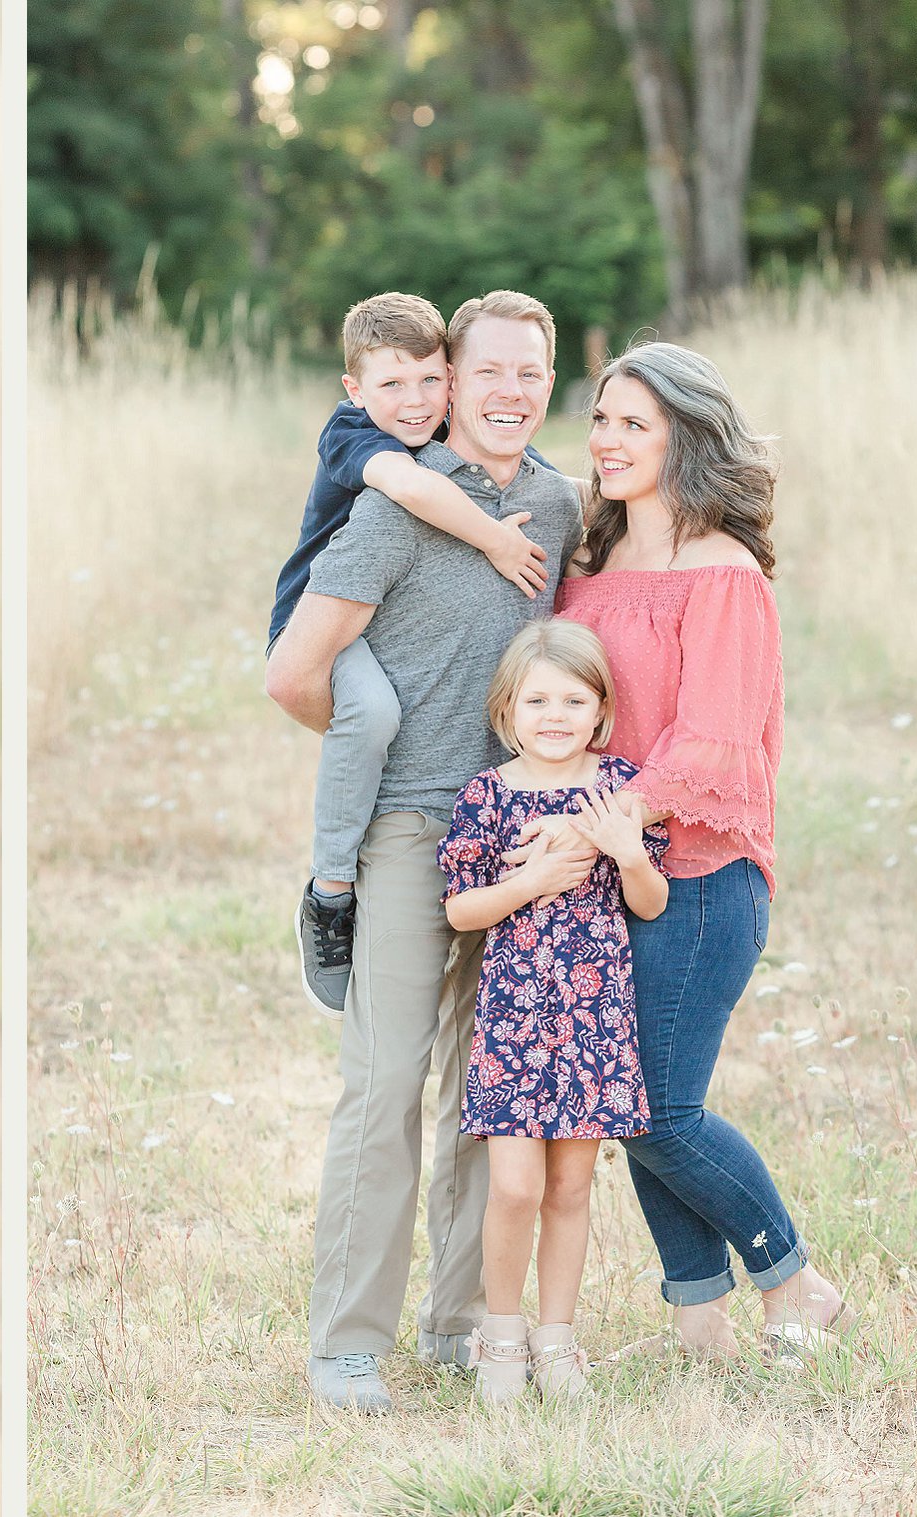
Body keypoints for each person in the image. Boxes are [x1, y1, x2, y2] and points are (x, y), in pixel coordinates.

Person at [264, 290, 582, 1413]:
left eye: (527, 372)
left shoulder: (556, 501)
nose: (507, 391)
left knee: (485, 1088)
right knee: (384, 1079)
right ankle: (347, 1340)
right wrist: (386, 756)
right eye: (485, 370)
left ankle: (458, 1321)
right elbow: (295, 673)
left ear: (550, 379)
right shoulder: (394, 503)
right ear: (448, 379)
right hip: (409, 826)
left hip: (519, 830)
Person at [551, 340, 854, 1361]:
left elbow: (713, 739)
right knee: (628, 1093)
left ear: (686, 435)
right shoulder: (587, 563)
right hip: (604, 871)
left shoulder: (722, 575)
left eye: (633, 422)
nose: (606, 440)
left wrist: (604, 815)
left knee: (653, 1106)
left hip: (697, 872)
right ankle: (698, 1326)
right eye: (599, 418)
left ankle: (793, 1278)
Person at [269, 292, 556, 1018]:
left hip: (383, 630)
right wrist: (494, 537)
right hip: (321, 623)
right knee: (371, 713)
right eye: (392, 384)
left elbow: (537, 473)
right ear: (355, 389)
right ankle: (330, 892)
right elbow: (406, 485)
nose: (416, 400)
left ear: (451, 379)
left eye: (430, 380)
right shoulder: (355, 435)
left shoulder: (461, 437)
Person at [435, 619, 667, 1403]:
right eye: (537, 699)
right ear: (507, 711)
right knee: (514, 1187)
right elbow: (463, 908)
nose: (556, 714)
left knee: (572, 1185)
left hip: (594, 1015)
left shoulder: (620, 788)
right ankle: (502, 1333)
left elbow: (650, 902)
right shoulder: (489, 795)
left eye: (574, 698)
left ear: (602, 710)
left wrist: (628, 850)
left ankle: (558, 1339)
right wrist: (533, 882)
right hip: (515, 1017)